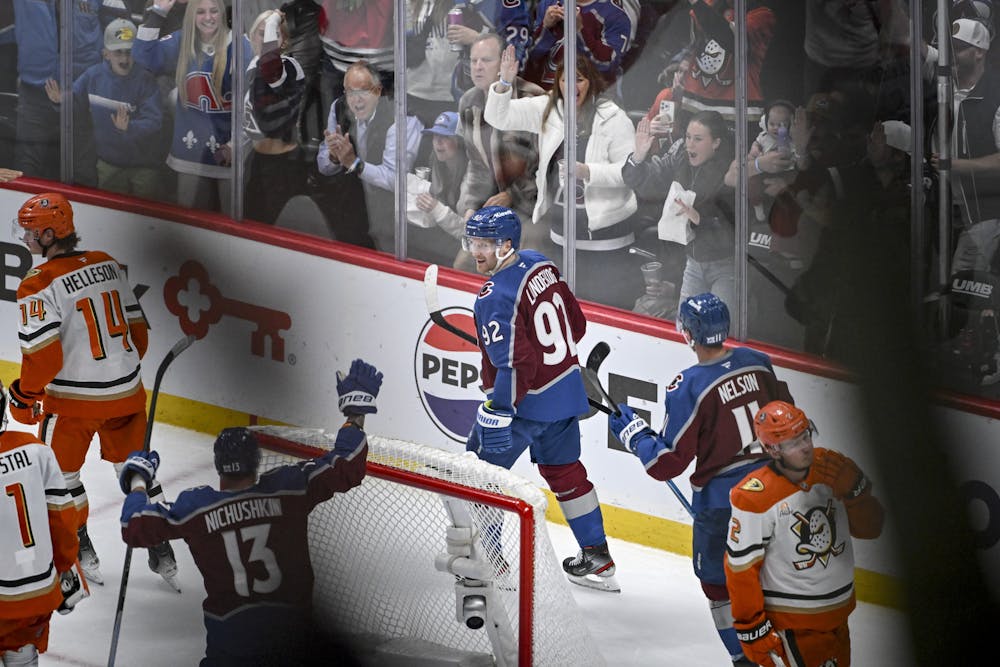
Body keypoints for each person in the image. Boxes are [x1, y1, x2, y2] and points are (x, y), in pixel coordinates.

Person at [118, 359, 382, 666]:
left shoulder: (197, 509)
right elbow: (346, 466)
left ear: (217, 465)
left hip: (230, 654)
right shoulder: (289, 489)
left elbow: (133, 527)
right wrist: (354, 415)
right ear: (257, 463)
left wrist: (139, 480)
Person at [606, 292, 794, 665]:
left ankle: (745, 660)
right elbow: (790, 419)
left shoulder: (689, 386)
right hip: (778, 490)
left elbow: (667, 464)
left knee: (718, 585)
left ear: (688, 334)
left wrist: (636, 437)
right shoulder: (759, 363)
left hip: (726, 504)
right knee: (775, 579)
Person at [7, 192, 178, 589]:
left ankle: (80, 546)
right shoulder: (108, 264)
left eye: (31, 231)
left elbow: (44, 358)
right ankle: (160, 548)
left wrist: (25, 393)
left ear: (50, 234)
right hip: (129, 396)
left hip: (73, 404)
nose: (25, 237)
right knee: (137, 472)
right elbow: (139, 337)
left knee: (62, 477)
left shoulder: (38, 284)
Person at [463, 205, 619, 592]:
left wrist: (498, 412)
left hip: (525, 408)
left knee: (478, 475)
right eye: (473, 241)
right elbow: (577, 325)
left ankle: (490, 565)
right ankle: (597, 558)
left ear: (507, 244)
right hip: (565, 398)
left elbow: (516, 366)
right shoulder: (540, 265)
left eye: (486, 243)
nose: (476, 251)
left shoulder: (494, 296)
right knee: (566, 473)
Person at [725, 400, 885, 667]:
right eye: (793, 442)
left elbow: (872, 529)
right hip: (795, 627)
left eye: (805, 435)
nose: (806, 447)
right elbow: (740, 570)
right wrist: (751, 628)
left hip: (839, 617)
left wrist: (857, 494)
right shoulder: (754, 497)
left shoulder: (833, 468)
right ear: (773, 450)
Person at [485, 46, 643, 309]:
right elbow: (498, 117)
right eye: (565, 79)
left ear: (591, 82)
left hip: (607, 242)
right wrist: (504, 82)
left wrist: (587, 172)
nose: (572, 86)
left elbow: (629, 172)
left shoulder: (614, 118)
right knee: (568, 312)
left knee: (606, 312)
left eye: (579, 79)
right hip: (562, 238)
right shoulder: (549, 109)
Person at [133, 0, 253, 214]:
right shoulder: (182, 41)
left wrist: (236, 143)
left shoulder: (241, 46)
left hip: (227, 155)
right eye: (200, 12)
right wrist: (158, 13)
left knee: (231, 222)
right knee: (190, 220)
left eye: (213, 11)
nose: (208, 17)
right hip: (189, 154)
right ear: (191, 15)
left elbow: (253, 104)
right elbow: (143, 58)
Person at [0, 381, 86, 667]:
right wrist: (64, 569)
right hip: (37, 592)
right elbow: (62, 519)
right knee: (22, 650)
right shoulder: (36, 450)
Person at [623, 111, 736, 314]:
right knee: (685, 326)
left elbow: (731, 230)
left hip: (725, 264)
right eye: (688, 137)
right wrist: (638, 158)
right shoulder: (680, 157)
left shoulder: (731, 170)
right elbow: (649, 181)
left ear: (716, 143)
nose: (689, 144)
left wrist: (699, 218)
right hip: (692, 262)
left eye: (698, 139)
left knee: (721, 324)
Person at [456, 32, 547, 262]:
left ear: (504, 63)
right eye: (473, 60)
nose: (477, 67)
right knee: (463, 264)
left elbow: (548, 167)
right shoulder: (468, 102)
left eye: (485, 60)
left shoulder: (532, 98)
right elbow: (476, 166)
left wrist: (512, 196)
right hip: (494, 211)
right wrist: (471, 207)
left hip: (534, 210)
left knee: (518, 266)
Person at [315, 59, 423, 250]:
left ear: (378, 91)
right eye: (351, 92)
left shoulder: (400, 119)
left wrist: (354, 164)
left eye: (364, 91)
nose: (356, 100)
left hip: (397, 215)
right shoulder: (338, 108)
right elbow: (323, 166)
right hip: (354, 204)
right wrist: (333, 157)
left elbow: (395, 180)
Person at [67, 18, 165, 200]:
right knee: (111, 211)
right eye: (118, 52)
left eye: (129, 52)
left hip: (144, 166)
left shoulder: (146, 80)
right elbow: (74, 102)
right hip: (109, 163)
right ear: (105, 54)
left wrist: (130, 127)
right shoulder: (93, 76)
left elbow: (155, 121)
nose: (124, 58)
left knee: (147, 216)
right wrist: (60, 101)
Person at [13, 0, 102, 180]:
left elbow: (114, 33)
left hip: (79, 94)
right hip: (35, 91)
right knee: (27, 167)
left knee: (83, 172)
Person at [243, 9, 310, 225]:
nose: (265, 39)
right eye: (261, 33)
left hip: (283, 164)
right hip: (255, 159)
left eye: (272, 34)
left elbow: (271, 70)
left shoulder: (289, 67)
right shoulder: (250, 65)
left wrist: (273, 21)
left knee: (277, 226)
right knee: (250, 222)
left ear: (283, 42)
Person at [525, 0, 633, 91]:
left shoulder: (616, 16)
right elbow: (527, 56)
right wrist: (545, 27)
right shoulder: (549, 3)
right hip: (542, 95)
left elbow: (608, 65)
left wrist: (580, 31)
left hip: (589, 102)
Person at [409, 111, 470, 265]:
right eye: (435, 136)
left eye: (446, 137)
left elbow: (470, 233)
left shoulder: (473, 177)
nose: (438, 142)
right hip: (445, 236)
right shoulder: (435, 161)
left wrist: (436, 209)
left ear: (460, 141)